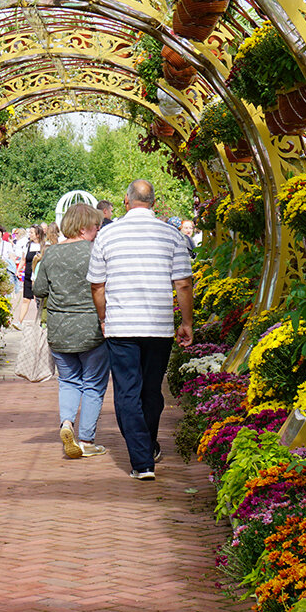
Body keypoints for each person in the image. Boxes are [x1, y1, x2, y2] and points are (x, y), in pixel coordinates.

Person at [87, 180, 194, 481]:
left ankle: (142, 460)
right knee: (152, 389)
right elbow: (183, 283)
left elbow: (97, 285)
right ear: (154, 203)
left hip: (122, 325)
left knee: (127, 392)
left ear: (126, 201)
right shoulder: (172, 235)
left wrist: (103, 317)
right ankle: (148, 446)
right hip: (159, 325)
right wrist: (187, 322)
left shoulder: (108, 235)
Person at [33, 203, 109, 459]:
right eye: (95, 225)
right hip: (92, 329)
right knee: (93, 385)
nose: (99, 229)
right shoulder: (95, 252)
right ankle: (86, 440)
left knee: (68, 381)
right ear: (84, 226)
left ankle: (66, 423)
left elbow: (39, 290)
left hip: (60, 328)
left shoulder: (51, 254)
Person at [14, 225, 45, 325]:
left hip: (39, 277)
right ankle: (20, 321)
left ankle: (40, 321)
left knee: (39, 301)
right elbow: (23, 260)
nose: (30, 234)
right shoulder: (27, 245)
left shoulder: (44, 245)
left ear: (37, 234)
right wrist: (18, 270)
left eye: (31, 232)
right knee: (26, 300)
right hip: (28, 275)